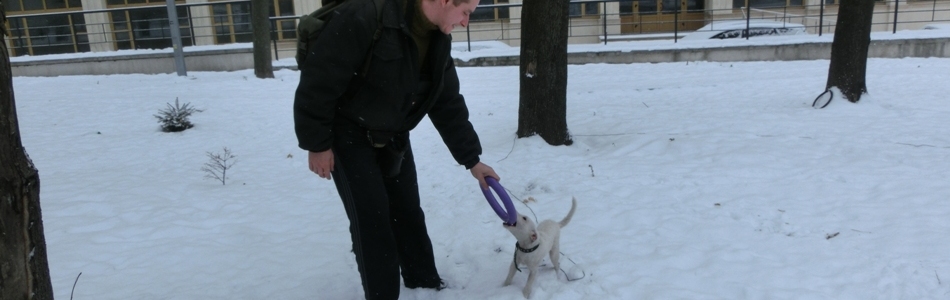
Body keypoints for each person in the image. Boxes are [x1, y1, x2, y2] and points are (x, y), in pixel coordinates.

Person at [293, 0, 500, 298]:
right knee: (372, 221)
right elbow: (319, 81)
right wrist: (317, 145)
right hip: (348, 134)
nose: (466, 22)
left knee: (407, 211)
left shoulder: (438, 37)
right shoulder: (366, 17)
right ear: (443, 1)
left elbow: (447, 101)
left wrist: (472, 161)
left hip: (393, 133)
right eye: (465, 11)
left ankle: (425, 283)